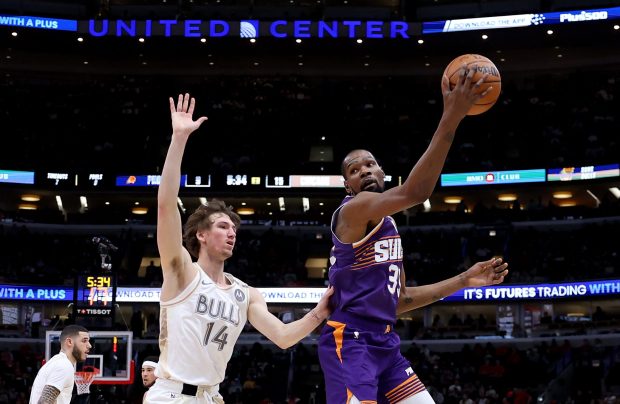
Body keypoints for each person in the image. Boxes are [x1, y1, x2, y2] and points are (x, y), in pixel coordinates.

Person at [318, 65, 510, 403]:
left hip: (386, 345)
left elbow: (401, 300)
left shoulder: (389, 226)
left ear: (382, 170)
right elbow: (415, 192)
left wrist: (463, 280)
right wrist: (451, 117)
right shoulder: (352, 210)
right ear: (347, 185)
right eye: (354, 170)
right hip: (350, 344)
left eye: (369, 164)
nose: (364, 170)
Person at [148, 93, 333, 403]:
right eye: (223, 226)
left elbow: (283, 337)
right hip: (171, 395)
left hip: (212, 397)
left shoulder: (246, 293)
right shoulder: (181, 270)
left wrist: (318, 313)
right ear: (202, 236)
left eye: (234, 228)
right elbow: (166, 206)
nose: (232, 232)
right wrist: (179, 138)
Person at [29, 325, 91, 404]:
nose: (89, 345)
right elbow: (44, 402)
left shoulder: (56, 362)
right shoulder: (64, 365)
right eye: (84, 341)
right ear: (69, 342)